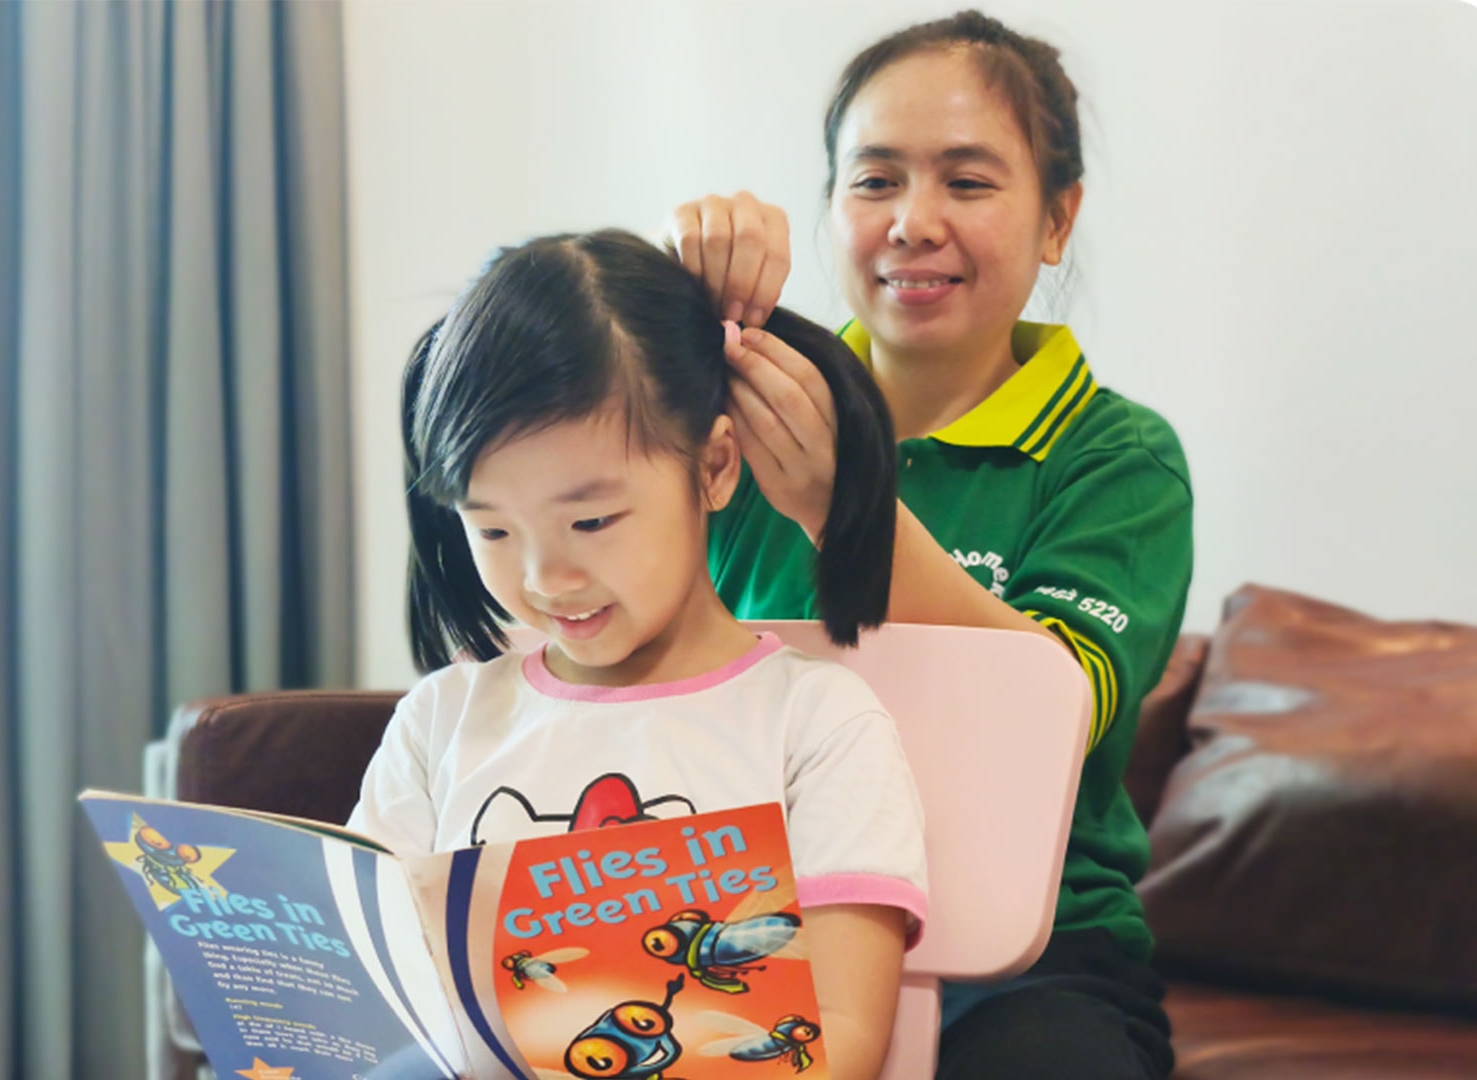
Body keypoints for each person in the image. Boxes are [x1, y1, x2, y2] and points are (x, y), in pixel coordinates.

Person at [666, 11, 1191, 1079]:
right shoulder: (730, 415)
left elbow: (1054, 708)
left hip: (1030, 954)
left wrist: (843, 507)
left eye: (966, 181)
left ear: (1057, 219)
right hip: (746, 918)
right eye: (873, 181)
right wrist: (667, 314)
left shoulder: (1117, 456)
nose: (911, 222)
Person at [348, 229, 928, 1080]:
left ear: (715, 466)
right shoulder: (440, 722)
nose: (546, 576)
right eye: (493, 529)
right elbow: (363, 989)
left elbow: (840, 1036)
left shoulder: (817, 723)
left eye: (591, 522)